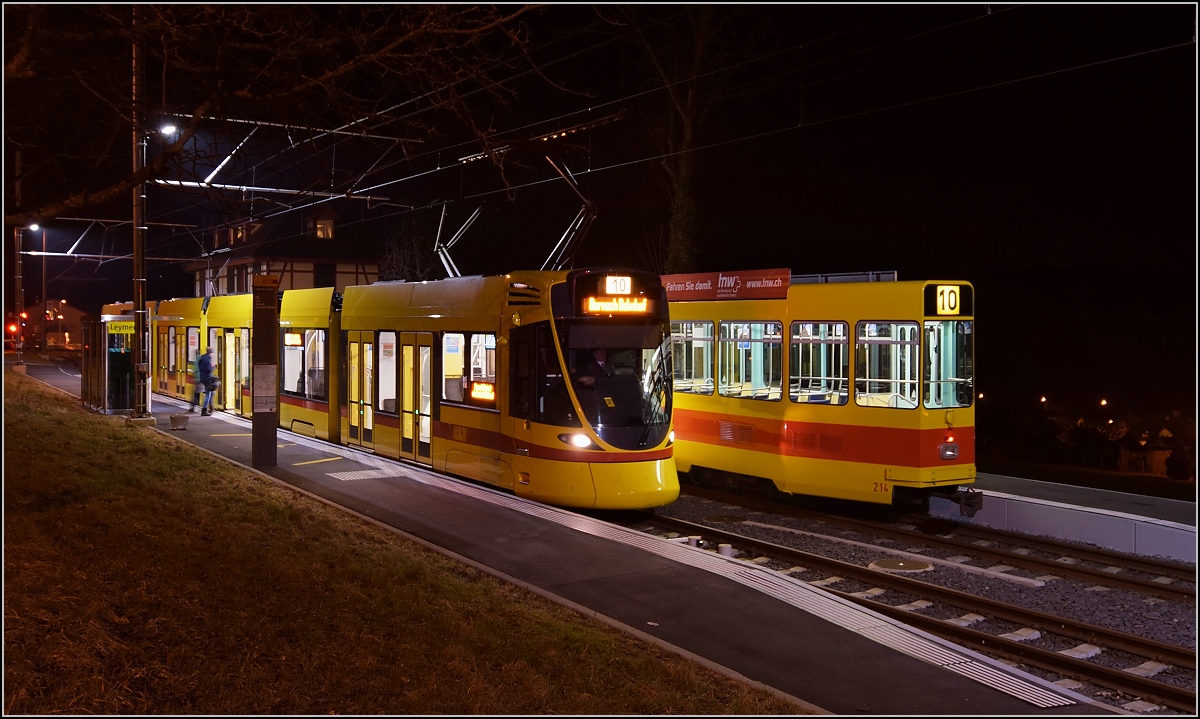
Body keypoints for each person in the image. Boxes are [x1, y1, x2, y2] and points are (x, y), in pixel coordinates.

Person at [197, 346, 217, 416]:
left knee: (211, 393)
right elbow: (208, 369)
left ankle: (210, 407)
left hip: (203, 378)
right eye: (213, 353)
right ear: (210, 353)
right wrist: (213, 367)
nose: (213, 355)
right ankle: (204, 409)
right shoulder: (207, 359)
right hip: (207, 379)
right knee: (208, 394)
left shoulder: (202, 358)